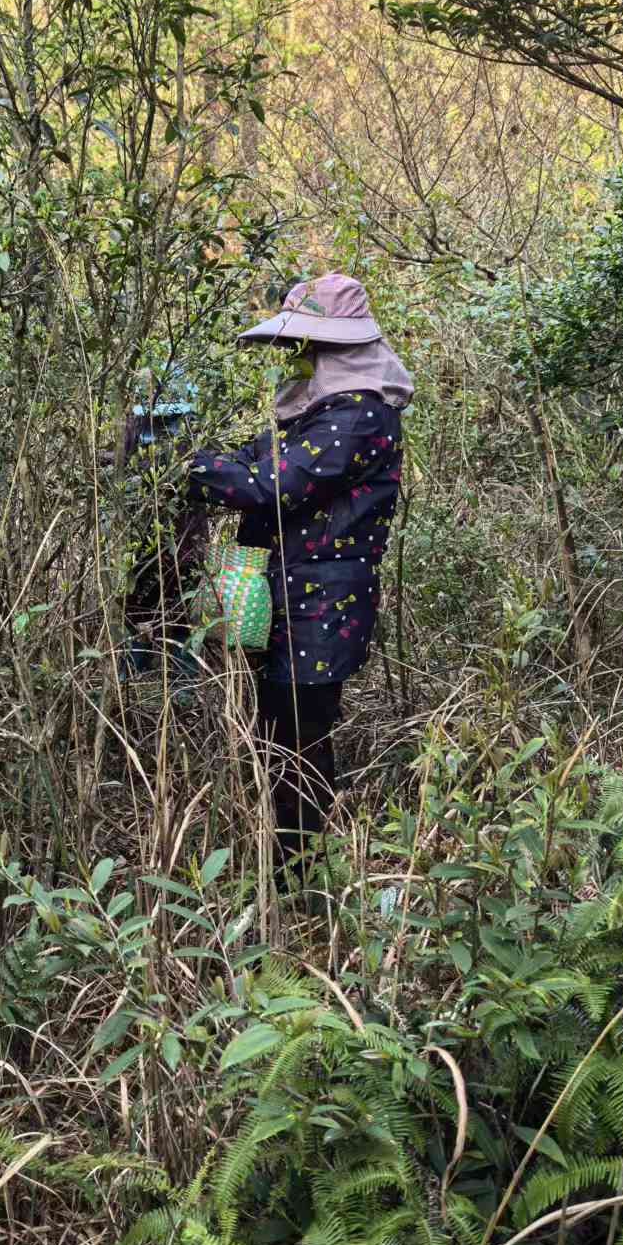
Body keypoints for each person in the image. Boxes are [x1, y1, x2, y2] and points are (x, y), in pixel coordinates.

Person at [186, 274, 412, 880]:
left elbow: (274, 485)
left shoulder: (360, 414)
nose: (298, 356)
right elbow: (254, 459)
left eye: (308, 345)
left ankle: (301, 883)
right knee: (276, 735)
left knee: (298, 744)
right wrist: (209, 460)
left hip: (324, 607)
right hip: (286, 597)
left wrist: (188, 464)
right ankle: (288, 874)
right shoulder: (320, 412)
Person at [119, 367, 210, 694]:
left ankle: (177, 694)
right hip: (151, 542)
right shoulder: (141, 426)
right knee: (144, 618)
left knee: (176, 619)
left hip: (178, 543)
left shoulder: (188, 430)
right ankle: (131, 689)